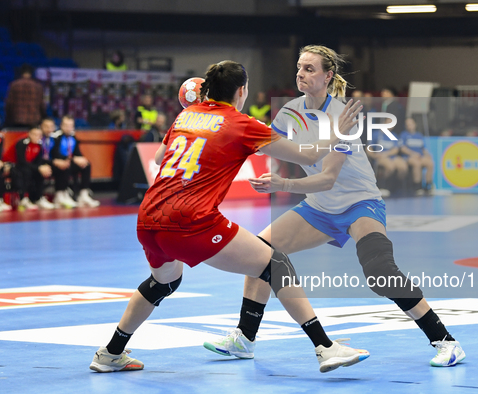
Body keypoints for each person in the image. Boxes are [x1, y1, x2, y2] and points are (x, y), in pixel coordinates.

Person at [89, 60, 369, 374]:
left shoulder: (187, 114)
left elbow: (158, 157)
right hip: (191, 220)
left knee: (162, 283)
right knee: (275, 264)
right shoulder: (242, 124)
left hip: (149, 217)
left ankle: (110, 353)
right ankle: (325, 348)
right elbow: (308, 155)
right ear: (241, 91)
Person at [203, 46, 464, 368]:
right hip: (319, 208)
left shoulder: (343, 116)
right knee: (260, 253)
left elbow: (327, 177)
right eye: (299, 67)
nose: (301, 73)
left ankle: (446, 341)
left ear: (328, 76)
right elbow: (264, 145)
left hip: (359, 202)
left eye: (310, 69)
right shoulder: (289, 112)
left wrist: (283, 185)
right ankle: (244, 338)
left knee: (381, 273)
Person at [51, 115, 100, 208]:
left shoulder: (73, 137)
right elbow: (55, 153)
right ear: (61, 125)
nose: (68, 128)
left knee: (86, 164)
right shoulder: (56, 137)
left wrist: (81, 158)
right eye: (66, 125)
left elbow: (77, 152)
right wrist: (73, 159)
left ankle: (84, 194)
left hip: (69, 161)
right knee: (65, 165)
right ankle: (60, 195)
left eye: (70, 126)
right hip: (57, 163)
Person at [14, 126, 55, 210]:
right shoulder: (22, 143)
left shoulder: (40, 145)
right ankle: (23, 199)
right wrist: (38, 168)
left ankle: (38, 198)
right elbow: (21, 161)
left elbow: (38, 161)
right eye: (34, 134)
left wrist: (42, 167)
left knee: (40, 172)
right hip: (15, 166)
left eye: (38, 135)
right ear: (29, 134)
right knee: (26, 171)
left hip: (29, 167)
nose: (36, 137)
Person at [366, 125, 408, 197]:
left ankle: (396, 187)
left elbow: (396, 149)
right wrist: (374, 156)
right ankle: (384, 186)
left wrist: (386, 154)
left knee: (403, 167)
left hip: (390, 156)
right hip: (380, 157)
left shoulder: (394, 135)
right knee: (390, 166)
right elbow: (368, 148)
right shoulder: (376, 134)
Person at [4, 64, 46, 128]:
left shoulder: (14, 85)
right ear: (31, 73)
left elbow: (9, 104)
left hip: (17, 120)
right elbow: (42, 105)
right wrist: (43, 117)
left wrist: (8, 118)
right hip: (34, 121)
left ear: (21, 73)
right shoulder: (38, 86)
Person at [400, 118, 435, 194]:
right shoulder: (404, 135)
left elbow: (423, 148)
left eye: (411, 124)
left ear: (415, 124)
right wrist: (413, 154)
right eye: (407, 125)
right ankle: (417, 186)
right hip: (409, 157)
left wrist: (427, 154)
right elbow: (403, 148)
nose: (409, 126)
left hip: (420, 156)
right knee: (417, 164)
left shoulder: (419, 135)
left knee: (430, 163)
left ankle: (428, 185)